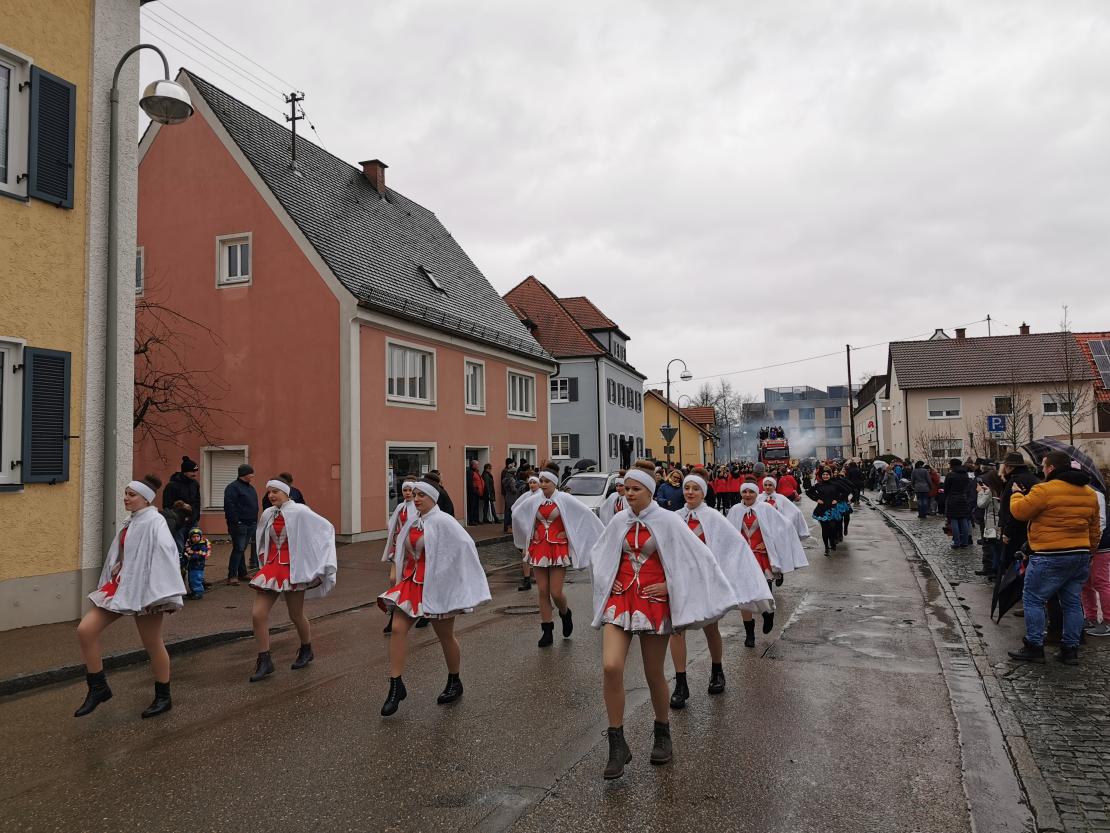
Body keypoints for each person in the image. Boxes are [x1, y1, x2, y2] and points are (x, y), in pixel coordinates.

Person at [589, 461, 737, 779]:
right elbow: (599, 554)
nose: (628, 494)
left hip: (654, 603)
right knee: (611, 666)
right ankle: (617, 743)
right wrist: (608, 577)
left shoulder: (669, 521)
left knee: (653, 672)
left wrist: (670, 585)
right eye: (625, 488)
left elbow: (695, 559)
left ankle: (662, 731)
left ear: (649, 491)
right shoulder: (618, 521)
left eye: (635, 489)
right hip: (621, 600)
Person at [378, 477, 491, 716]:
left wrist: (451, 579)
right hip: (411, 584)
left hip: (437, 586)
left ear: (433, 498)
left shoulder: (444, 522)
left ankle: (454, 680)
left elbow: (464, 548)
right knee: (398, 628)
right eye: (414, 494)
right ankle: (396, 685)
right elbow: (403, 551)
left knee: (445, 636)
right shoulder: (412, 522)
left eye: (421, 495)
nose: (416, 499)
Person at [75, 475, 185, 719]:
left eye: (131, 494)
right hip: (122, 587)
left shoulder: (155, 522)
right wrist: (120, 564)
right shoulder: (131, 521)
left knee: (152, 643)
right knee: (86, 630)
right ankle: (98, 687)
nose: (125, 498)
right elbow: (126, 551)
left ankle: (163, 696)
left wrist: (165, 594)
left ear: (145, 499)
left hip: (146, 592)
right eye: (125, 493)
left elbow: (166, 555)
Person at [671, 469, 773, 706]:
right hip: (682, 582)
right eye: (687, 488)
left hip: (707, 582)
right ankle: (681, 683)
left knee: (710, 628)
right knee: (676, 630)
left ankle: (717, 671)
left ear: (703, 492)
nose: (690, 492)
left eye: (695, 488)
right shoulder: (675, 517)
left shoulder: (714, 517)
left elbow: (733, 546)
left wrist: (735, 576)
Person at [1007, 452, 1101, 665]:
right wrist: (1090, 552)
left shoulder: (1044, 490)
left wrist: (1016, 494)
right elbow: (1094, 528)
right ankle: (1070, 649)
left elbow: (1020, 512)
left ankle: (1034, 646)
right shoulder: (1089, 493)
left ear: (1050, 468)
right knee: (1072, 603)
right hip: (1079, 554)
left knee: (1033, 599)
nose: (1041, 469)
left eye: (1043, 466)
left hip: (1049, 555)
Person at [247, 479, 337, 682]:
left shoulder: (301, 511)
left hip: (293, 569)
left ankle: (307, 648)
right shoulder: (268, 513)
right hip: (271, 569)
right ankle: (264, 660)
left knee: (295, 614)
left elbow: (326, 528)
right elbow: (262, 539)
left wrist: (318, 560)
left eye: (275, 491)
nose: (271, 495)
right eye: (269, 492)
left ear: (286, 493)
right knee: (258, 614)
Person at [512, 463, 604, 647]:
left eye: (547, 481)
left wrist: (569, 534)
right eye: (542, 481)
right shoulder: (534, 500)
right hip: (539, 548)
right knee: (542, 591)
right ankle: (547, 630)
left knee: (555, 592)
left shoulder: (564, 499)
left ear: (554, 483)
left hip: (557, 548)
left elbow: (584, 515)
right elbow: (517, 514)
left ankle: (565, 613)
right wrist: (530, 533)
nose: (543, 484)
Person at [728, 481, 808, 629]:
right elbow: (728, 533)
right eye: (744, 492)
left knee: (764, 589)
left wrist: (768, 543)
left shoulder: (765, 508)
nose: (747, 495)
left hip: (762, 556)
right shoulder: (735, 510)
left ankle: (768, 612)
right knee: (744, 594)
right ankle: (749, 633)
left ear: (756, 493)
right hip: (744, 558)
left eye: (751, 492)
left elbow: (784, 526)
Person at [381, 481, 417, 635]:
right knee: (393, 580)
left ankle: (402, 615)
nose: (407, 493)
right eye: (405, 490)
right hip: (399, 549)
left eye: (410, 490)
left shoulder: (417, 507)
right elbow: (392, 525)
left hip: (413, 551)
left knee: (408, 584)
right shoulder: (399, 507)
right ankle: (394, 613)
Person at [1081, 480, 1110, 636]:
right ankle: (1090, 617)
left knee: (1100, 582)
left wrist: (1093, 546)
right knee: (1086, 583)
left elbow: (1101, 521)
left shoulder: (1095, 493)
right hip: (1087, 545)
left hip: (1100, 545)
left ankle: (1107, 621)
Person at [224, 463, 259, 584]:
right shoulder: (233, 488)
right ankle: (232, 575)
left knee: (242, 549)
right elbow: (229, 506)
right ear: (244, 474)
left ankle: (242, 573)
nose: (252, 476)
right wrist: (236, 521)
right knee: (238, 549)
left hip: (250, 522)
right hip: (239, 524)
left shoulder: (250, 488)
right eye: (251, 473)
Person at [163, 456, 201, 553]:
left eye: (196, 471)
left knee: (195, 548)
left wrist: (195, 516)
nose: (195, 474)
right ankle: (179, 566)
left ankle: (192, 567)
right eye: (192, 471)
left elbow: (197, 501)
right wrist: (180, 510)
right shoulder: (172, 485)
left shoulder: (195, 484)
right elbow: (167, 505)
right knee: (179, 547)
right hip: (178, 522)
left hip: (192, 521)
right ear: (185, 472)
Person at [808, 467, 846, 555]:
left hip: (833, 510)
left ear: (830, 475)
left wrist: (837, 499)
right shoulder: (818, 485)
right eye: (823, 475)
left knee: (833, 528)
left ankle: (832, 542)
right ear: (821, 476)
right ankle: (826, 547)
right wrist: (816, 499)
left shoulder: (835, 484)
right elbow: (809, 492)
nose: (825, 476)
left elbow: (845, 491)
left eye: (827, 474)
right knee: (825, 529)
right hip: (822, 510)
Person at [974, 471, 1004, 577]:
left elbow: (981, 504)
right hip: (1000, 520)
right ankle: (995, 569)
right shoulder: (1002, 489)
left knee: (993, 546)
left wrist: (981, 492)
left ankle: (993, 569)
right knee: (998, 547)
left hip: (992, 522)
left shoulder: (991, 491)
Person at [943, 458, 976, 549]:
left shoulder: (950, 475)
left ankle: (956, 542)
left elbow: (946, 488)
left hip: (952, 499)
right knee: (964, 519)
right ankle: (965, 541)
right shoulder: (965, 474)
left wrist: (947, 496)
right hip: (963, 498)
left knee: (954, 520)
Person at [516, 474, 541, 591]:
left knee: (538, 554)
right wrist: (522, 523)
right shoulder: (526, 496)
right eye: (530, 483)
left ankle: (541, 578)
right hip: (528, 530)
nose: (532, 485)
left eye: (534, 482)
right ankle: (527, 580)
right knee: (525, 554)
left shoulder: (542, 496)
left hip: (539, 530)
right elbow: (516, 510)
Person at [182, 526, 210, 600]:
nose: (196, 538)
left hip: (198, 566)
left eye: (197, 536)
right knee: (191, 579)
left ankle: (198, 592)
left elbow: (201, 554)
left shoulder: (202, 546)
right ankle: (194, 591)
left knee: (196, 579)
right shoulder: (190, 545)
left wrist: (192, 556)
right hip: (192, 566)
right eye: (193, 537)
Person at [500, 459, 521, 534]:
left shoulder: (506, 479)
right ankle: (510, 528)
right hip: (512, 497)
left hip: (507, 496)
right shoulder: (512, 480)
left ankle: (506, 527)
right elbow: (514, 490)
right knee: (511, 512)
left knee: (507, 512)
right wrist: (517, 488)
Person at [466, 460, 483, 526]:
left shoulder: (476, 472)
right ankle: (471, 520)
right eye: (477, 465)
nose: (478, 466)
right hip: (472, 493)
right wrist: (474, 490)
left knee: (476, 507)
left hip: (477, 493)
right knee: (472, 507)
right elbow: (470, 483)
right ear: (473, 465)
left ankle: (476, 520)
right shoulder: (470, 472)